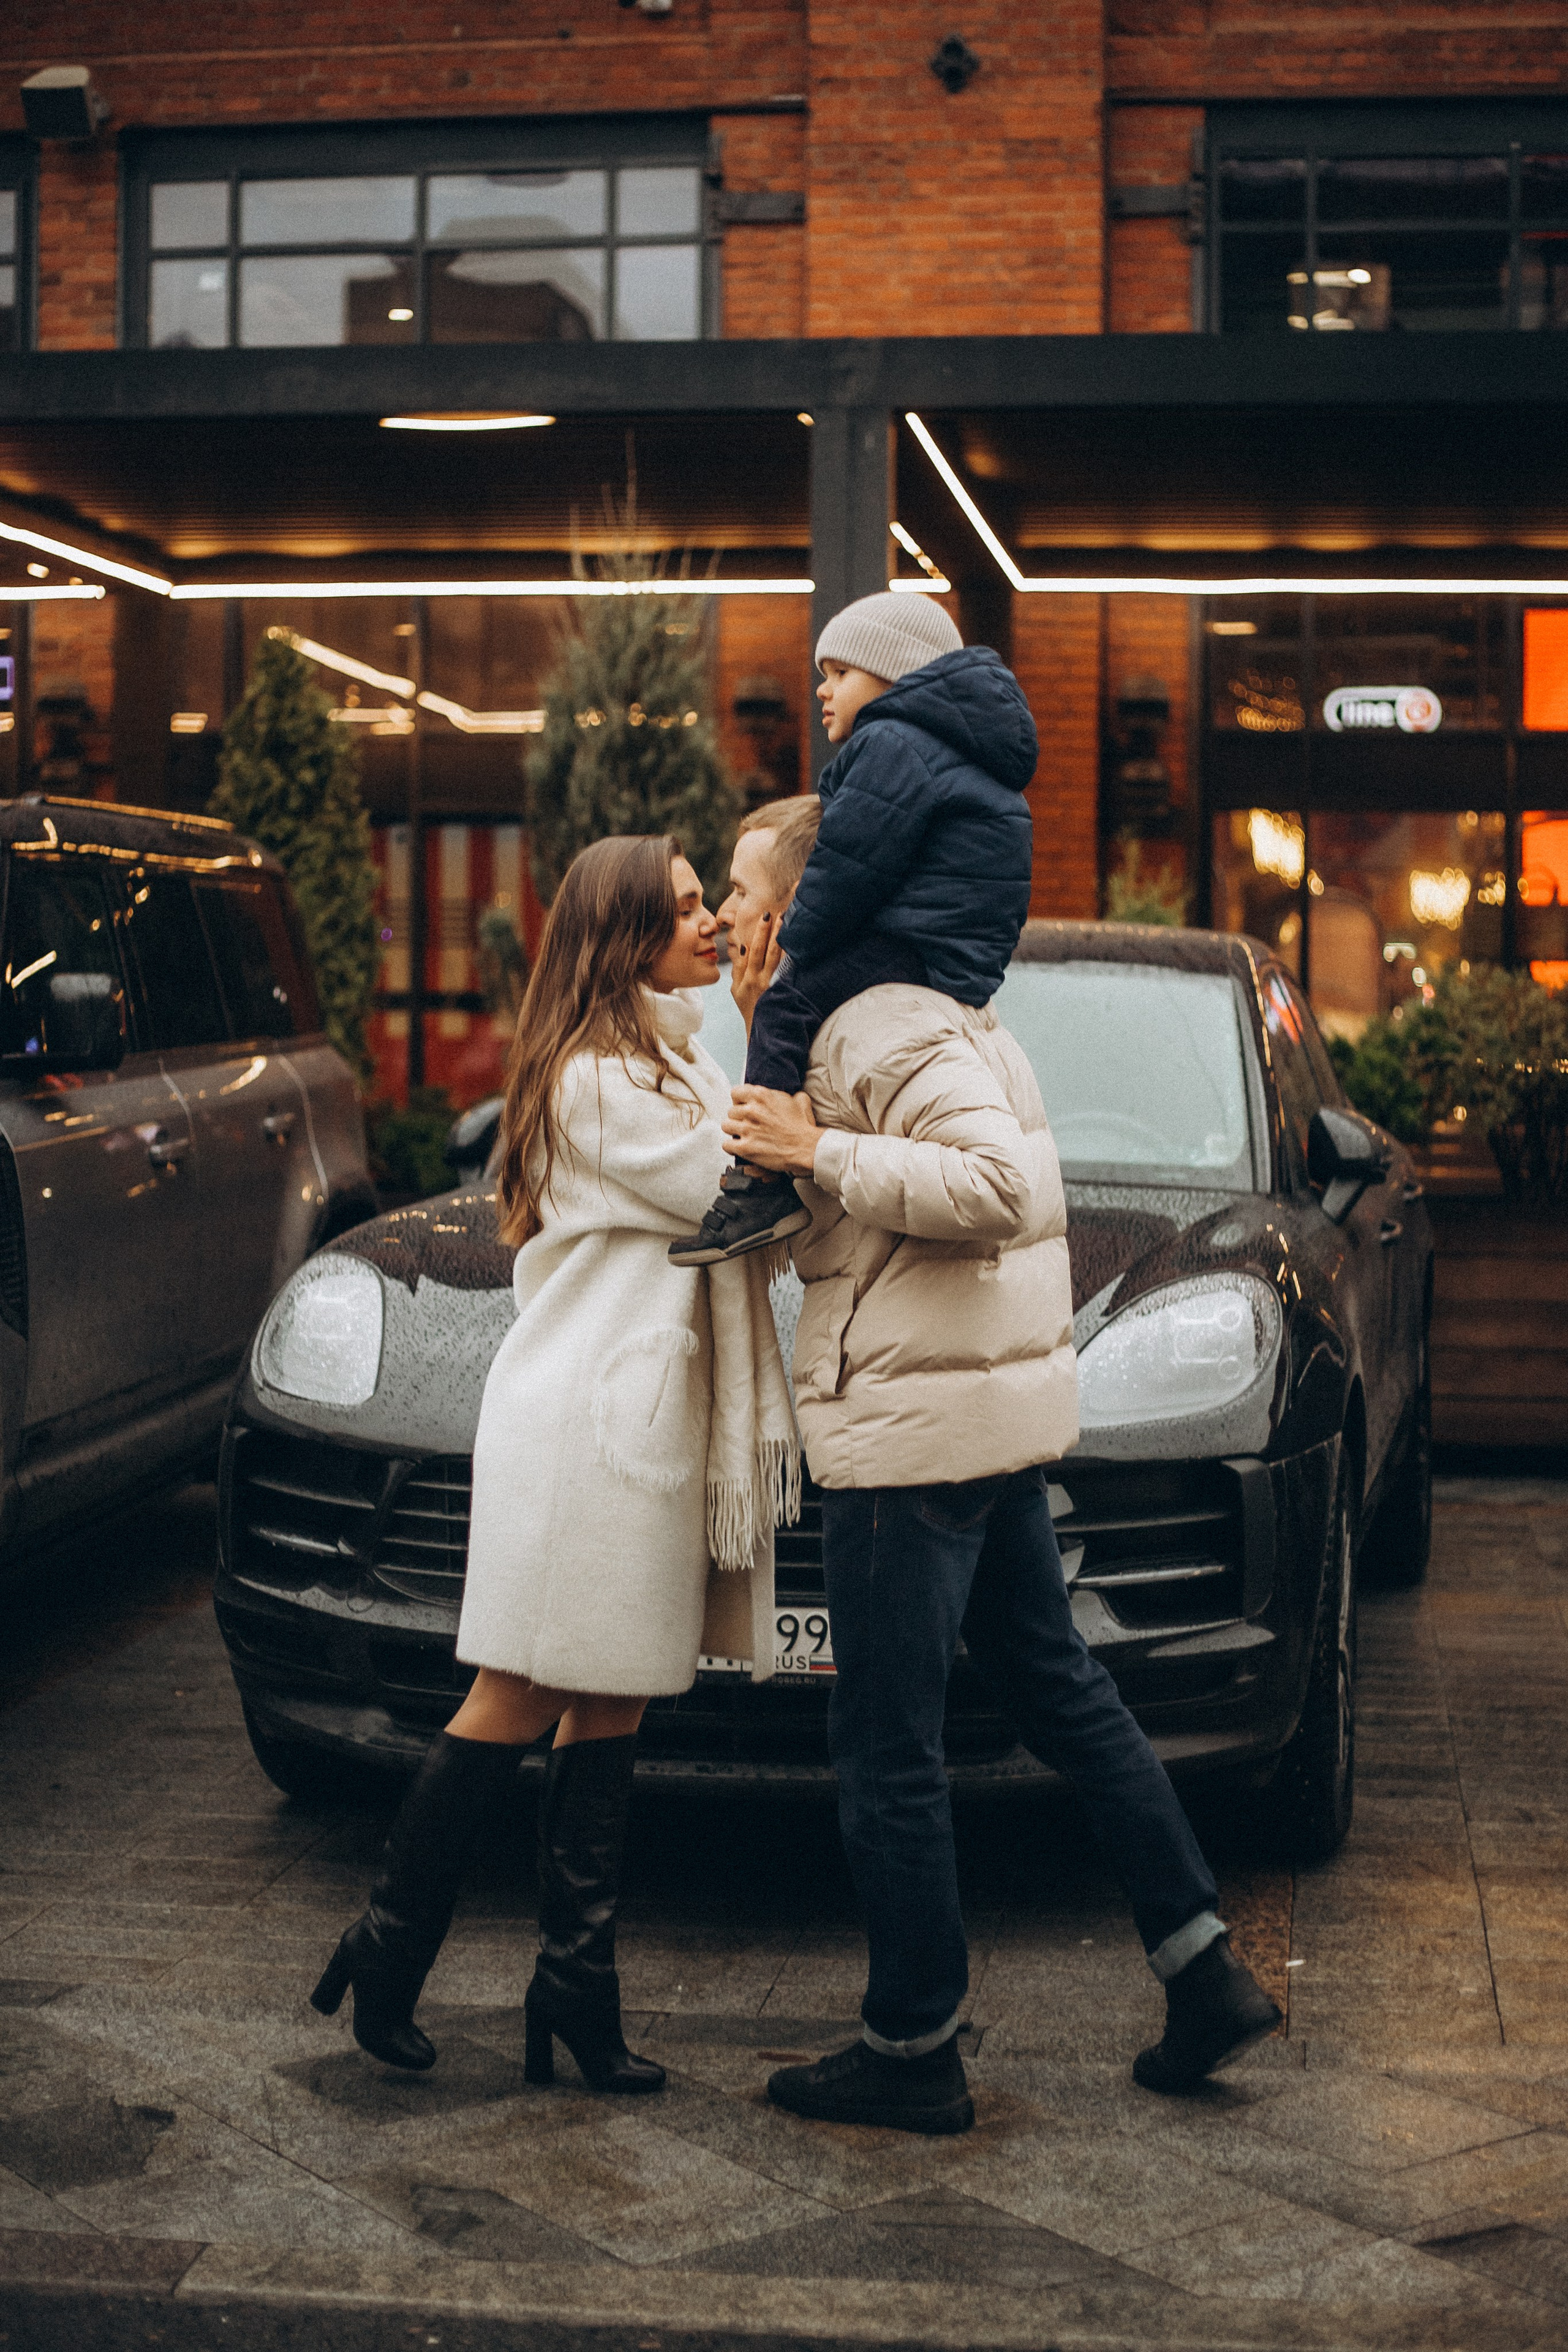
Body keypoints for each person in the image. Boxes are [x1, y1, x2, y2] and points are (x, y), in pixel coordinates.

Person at [720, 796, 1282, 2136]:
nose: (732, 913)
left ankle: (911, 2042)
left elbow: (994, 1191)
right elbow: (860, 1205)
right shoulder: (892, 1012)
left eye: (745, 889)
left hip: (913, 1433)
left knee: (887, 1746)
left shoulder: (874, 1020)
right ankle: (1200, 1968)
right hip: (964, 1417)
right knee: (1056, 1686)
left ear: (803, 902)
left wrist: (818, 1149)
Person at [311, 836, 797, 2094]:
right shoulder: (595, 1079)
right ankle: (388, 1942)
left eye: (708, 903)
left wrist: (740, 1032)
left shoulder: (669, 1058)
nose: (709, 924)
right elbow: (737, 1188)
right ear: (625, 939)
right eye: (684, 910)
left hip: (626, 1421)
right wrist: (765, 1022)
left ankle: (572, 1988)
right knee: (516, 1695)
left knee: (613, 1697)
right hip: (589, 1425)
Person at [668, 591, 1033, 1267]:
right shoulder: (960, 752)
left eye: (839, 673)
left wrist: (798, 943)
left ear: (895, 675)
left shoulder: (891, 742)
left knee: (787, 1002)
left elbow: (849, 862)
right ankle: (763, 1178)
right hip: (948, 948)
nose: (820, 689)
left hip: (912, 943)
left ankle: (757, 1185)